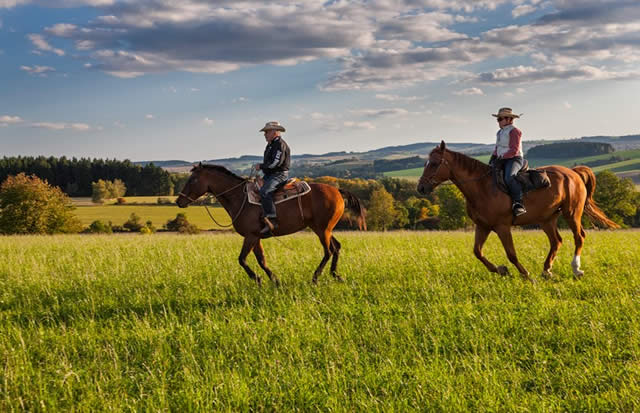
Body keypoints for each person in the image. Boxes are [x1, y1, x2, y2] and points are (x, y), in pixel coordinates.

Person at [254, 121, 291, 236]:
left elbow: (275, 163)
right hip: (271, 174)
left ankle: (272, 219)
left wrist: (261, 166)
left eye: (267, 132)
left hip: (279, 175)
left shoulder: (280, 144)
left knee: (265, 191)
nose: (265, 134)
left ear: (275, 132)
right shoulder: (270, 144)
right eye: (265, 132)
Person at [489, 107, 526, 216]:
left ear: (509, 119)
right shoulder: (499, 132)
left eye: (500, 119)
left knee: (509, 177)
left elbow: (514, 150)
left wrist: (502, 158)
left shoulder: (515, 131)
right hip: (501, 159)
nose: (498, 122)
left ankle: (518, 203)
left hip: (514, 159)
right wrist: (492, 159)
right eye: (498, 120)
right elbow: (497, 148)